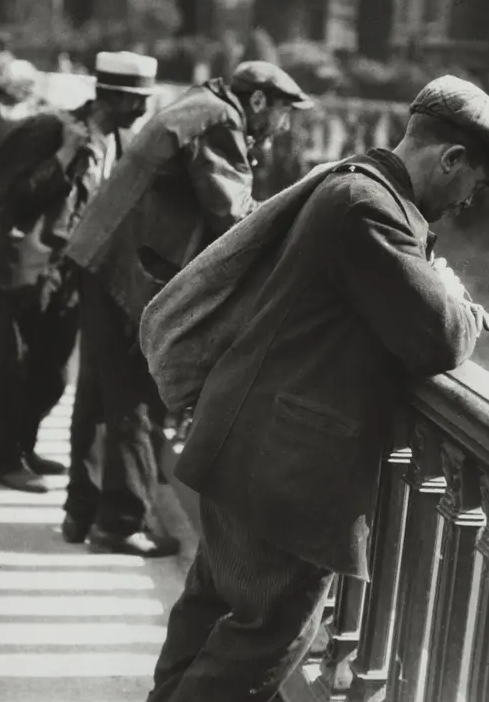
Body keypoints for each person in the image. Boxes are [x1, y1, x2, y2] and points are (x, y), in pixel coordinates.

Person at [140, 75, 489, 701]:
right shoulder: (367, 207)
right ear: (451, 158)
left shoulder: (355, 188)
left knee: (209, 613)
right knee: (265, 643)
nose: (465, 203)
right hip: (285, 474)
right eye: (471, 184)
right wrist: (452, 295)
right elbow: (441, 337)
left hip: (250, 450)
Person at [61, 61, 313, 557]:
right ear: (259, 101)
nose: (283, 125)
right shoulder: (221, 121)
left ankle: (81, 509)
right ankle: (119, 522)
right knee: (134, 394)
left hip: (99, 253)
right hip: (127, 270)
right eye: (283, 112)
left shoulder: (201, 103)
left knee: (96, 390)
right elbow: (234, 215)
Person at [0, 51, 156, 494]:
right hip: (19, 265)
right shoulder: (52, 130)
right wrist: (63, 156)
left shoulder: (118, 139)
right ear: (114, 97)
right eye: (139, 101)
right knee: (11, 364)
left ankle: (25, 443)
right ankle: (5, 459)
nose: (145, 110)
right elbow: (17, 196)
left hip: (67, 268)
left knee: (55, 372)